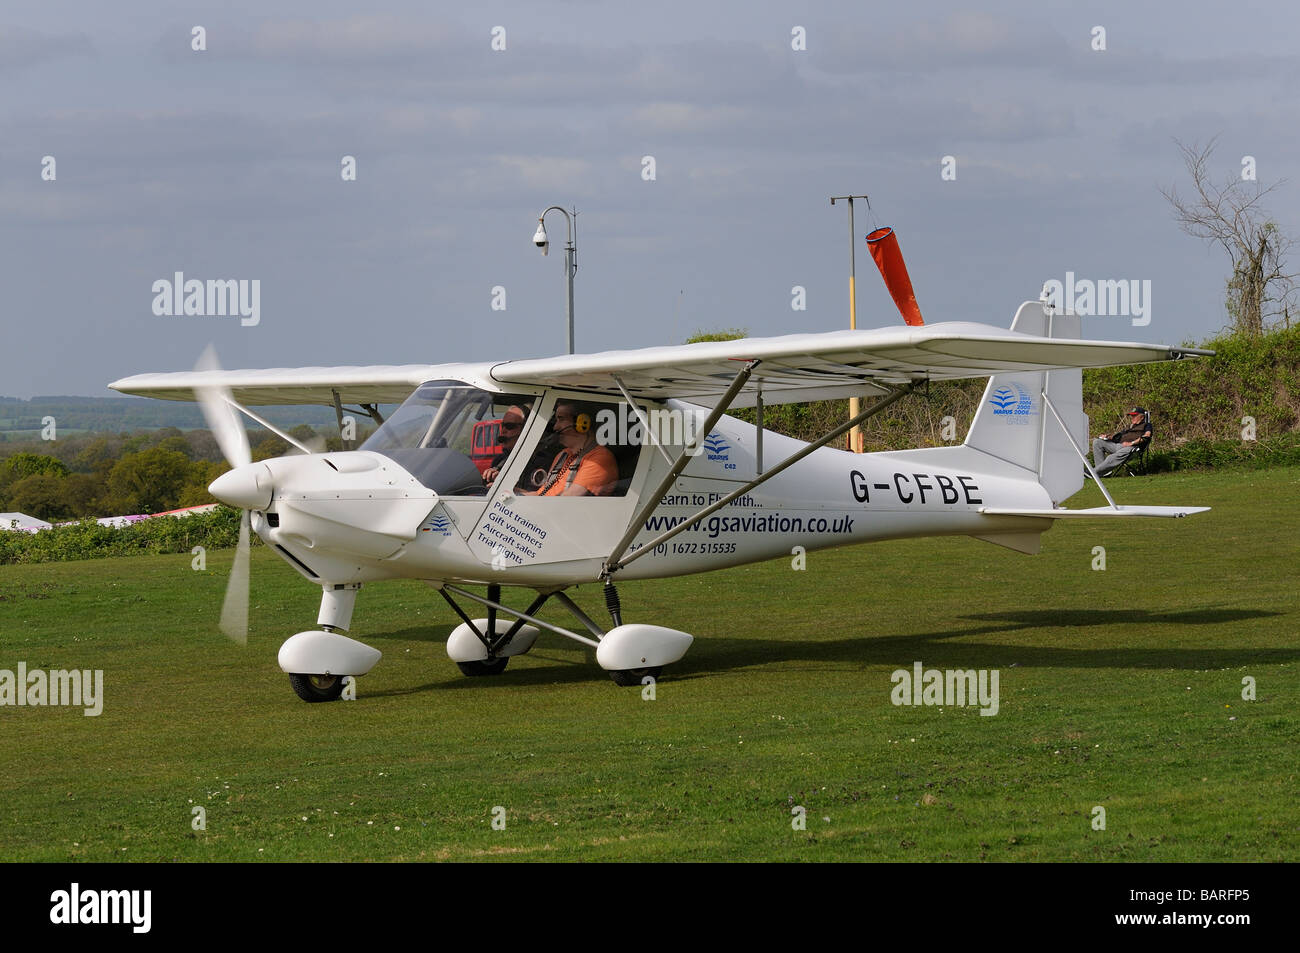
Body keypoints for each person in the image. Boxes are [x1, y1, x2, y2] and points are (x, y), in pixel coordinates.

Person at [522, 400, 618, 497]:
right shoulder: (563, 455)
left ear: (583, 422)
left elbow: (568, 500)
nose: (555, 427)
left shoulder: (600, 458)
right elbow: (540, 495)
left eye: (561, 419)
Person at [1090, 407, 1152, 477]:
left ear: (1142, 417)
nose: (1132, 417)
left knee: (1111, 457)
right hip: (1119, 445)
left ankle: (1093, 473)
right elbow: (1118, 437)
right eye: (1131, 416)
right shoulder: (1130, 426)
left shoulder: (1147, 425)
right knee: (1097, 442)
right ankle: (1102, 473)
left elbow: (1147, 436)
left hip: (1132, 448)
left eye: (1135, 415)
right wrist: (1107, 437)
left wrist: (1131, 443)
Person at [482, 405, 527, 486]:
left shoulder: (538, 461)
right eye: (503, 425)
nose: (503, 431)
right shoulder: (499, 460)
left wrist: (505, 484)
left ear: (525, 429)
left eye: (510, 426)